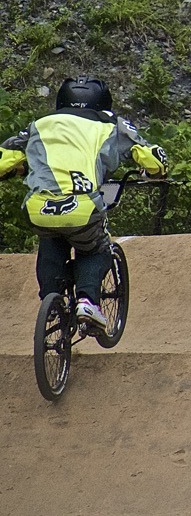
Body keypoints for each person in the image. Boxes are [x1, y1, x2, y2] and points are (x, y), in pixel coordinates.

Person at [0, 77, 168, 330]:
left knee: (50, 237)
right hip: (82, 207)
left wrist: (16, 170)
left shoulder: (38, 125)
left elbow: (3, 160)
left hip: (38, 208)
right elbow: (154, 160)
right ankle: (88, 301)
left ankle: (51, 301)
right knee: (95, 248)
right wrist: (154, 173)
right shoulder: (112, 125)